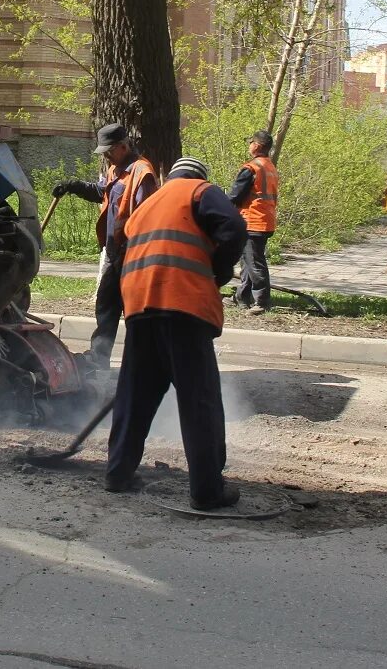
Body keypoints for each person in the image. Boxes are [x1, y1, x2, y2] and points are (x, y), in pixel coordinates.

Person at [105, 156, 248, 510]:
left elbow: (120, 248)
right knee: (199, 400)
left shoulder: (146, 205)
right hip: (182, 307)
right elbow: (233, 228)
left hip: (140, 308)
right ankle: (207, 490)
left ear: (170, 177)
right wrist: (216, 270)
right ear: (198, 176)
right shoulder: (201, 191)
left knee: (133, 397)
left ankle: (117, 474)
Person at [52, 123, 158, 368]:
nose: (106, 156)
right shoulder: (115, 169)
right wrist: (73, 186)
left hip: (133, 253)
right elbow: (101, 192)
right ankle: (99, 359)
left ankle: (139, 363)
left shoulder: (142, 173)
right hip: (114, 251)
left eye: (109, 151)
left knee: (135, 311)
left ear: (123, 146)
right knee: (107, 307)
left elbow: (148, 216)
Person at [228, 129, 279, 313]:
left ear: (256, 145)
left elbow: (235, 195)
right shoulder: (270, 166)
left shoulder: (251, 168)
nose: (249, 145)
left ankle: (262, 302)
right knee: (248, 260)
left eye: (250, 142)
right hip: (265, 219)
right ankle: (242, 296)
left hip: (253, 220)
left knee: (255, 262)